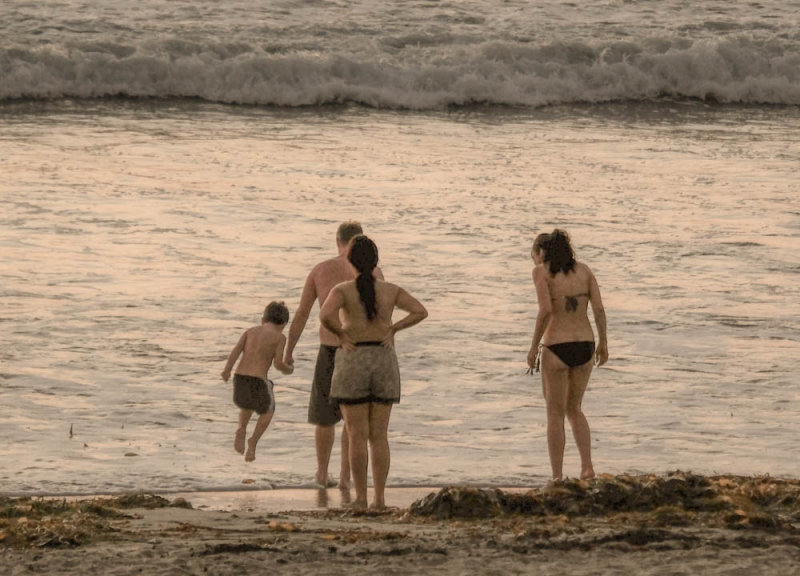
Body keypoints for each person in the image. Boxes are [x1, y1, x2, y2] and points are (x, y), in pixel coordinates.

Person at [320, 235, 427, 510]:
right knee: (379, 435)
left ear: (350, 261)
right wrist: (394, 328)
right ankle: (380, 498)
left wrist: (342, 335)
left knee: (356, 433)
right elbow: (419, 311)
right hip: (382, 358)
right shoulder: (391, 290)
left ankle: (361, 498)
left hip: (354, 358)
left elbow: (324, 316)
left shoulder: (342, 290)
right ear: (376, 261)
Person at [284, 222, 384, 489]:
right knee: (354, 419)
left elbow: (303, 314)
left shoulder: (320, 270)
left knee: (325, 419)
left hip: (329, 350)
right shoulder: (375, 271)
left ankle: (321, 474)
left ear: (337, 240)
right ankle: (345, 477)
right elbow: (380, 316)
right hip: (360, 352)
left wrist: (288, 351)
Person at [527, 229, 608, 482]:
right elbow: (599, 309)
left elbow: (546, 311)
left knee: (554, 414)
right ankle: (587, 468)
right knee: (575, 409)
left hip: (557, 346)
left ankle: (558, 476)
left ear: (541, 253)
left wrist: (532, 348)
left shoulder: (541, 271)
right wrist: (603, 344)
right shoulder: (584, 270)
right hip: (585, 345)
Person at [221, 301, 294, 463]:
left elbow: (236, 350)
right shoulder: (280, 337)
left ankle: (241, 428)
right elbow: (277, 364)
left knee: (247, 405)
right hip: (258, 380)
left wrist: (227, 370)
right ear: (283, 324)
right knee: (268, 410)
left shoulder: (250, 331)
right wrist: (288, 368)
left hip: (239, 378)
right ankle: (253, 440)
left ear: (263, 319)